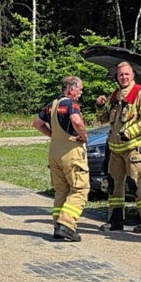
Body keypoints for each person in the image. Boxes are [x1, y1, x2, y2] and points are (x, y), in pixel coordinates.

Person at [95, 61, 141, 232]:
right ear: (117, 77)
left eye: (127, 74)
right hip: (116, 150)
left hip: (134, 149)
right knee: (114, 186)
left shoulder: (140, 93)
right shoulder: (115, 95)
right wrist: (99, 106)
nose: (124, 77)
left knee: (137, 185)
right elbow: (104, 119)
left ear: (133, 75)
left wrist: (129, 132)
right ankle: (115, 221)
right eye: (121, 75)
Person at [33, 76, 90, 242]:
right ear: (71, 90)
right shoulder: (71, 104)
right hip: (70, 152)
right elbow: (76, 120)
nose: (81, 92)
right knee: (80, 189)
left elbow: (37, 123)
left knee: (61, 190)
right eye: (80, 89)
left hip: (54, 152)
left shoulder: (53, 105)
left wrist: (53, 135)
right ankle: (66, 224)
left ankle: (57, 226)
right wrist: (84, 136)